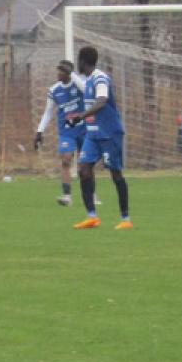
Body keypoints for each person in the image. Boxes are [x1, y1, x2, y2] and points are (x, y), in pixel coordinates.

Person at [71, 46, 132, 230]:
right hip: (93, 134)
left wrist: (81, 116)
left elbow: (102, 101)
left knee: (115, 173)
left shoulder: (100, 78)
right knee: (84, 169)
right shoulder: (89, 81)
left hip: (109, 134)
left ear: (82, 61)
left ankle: (126, 219)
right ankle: (92, 217)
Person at [35, 60, 99, 206]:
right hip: (67, 131)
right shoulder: (54, 90)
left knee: (86, 164)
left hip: (83, 129)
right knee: (66, 159)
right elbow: (48, 112)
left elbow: (87, 90)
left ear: (68, 73)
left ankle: (92, 194)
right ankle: (67, 196)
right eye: (58, 71)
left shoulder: (80, 84)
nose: (58, 74)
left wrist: (72, 74)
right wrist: (39, 131)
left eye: (61, 71)